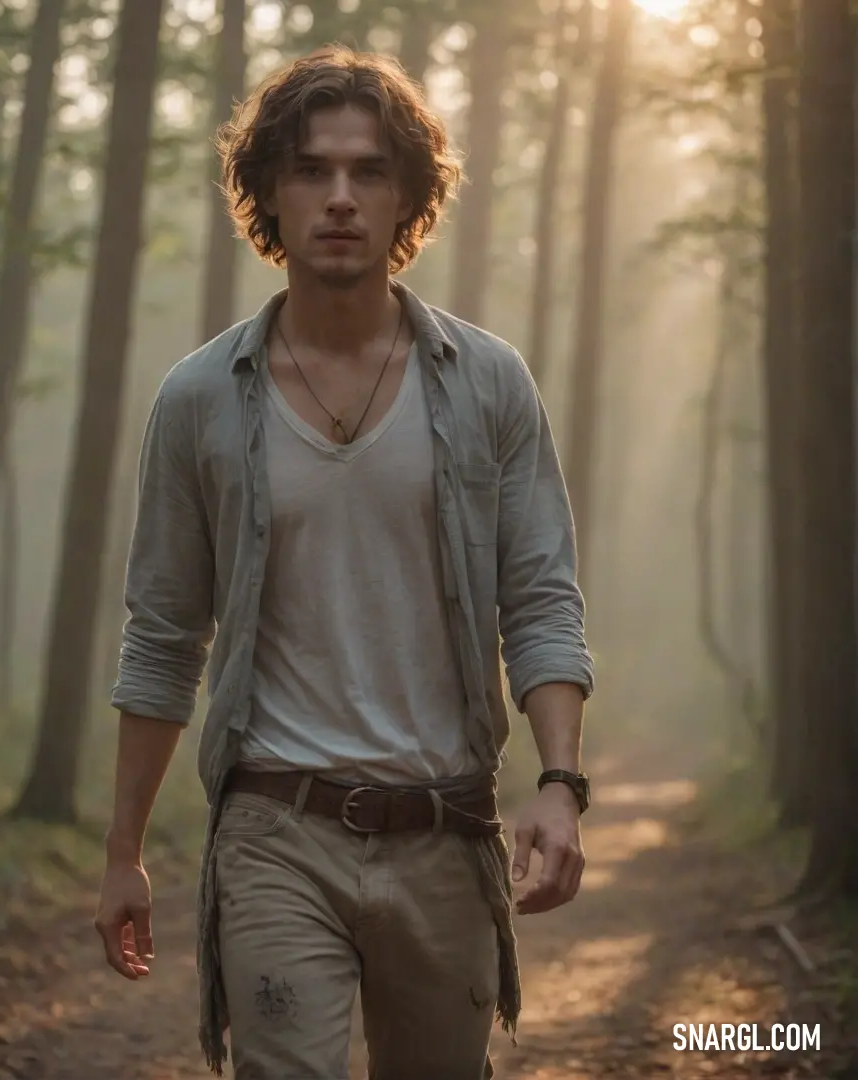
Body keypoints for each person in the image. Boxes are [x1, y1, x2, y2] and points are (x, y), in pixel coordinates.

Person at [94, 44, 595, 1080]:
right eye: (312, 170)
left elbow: (541, 596)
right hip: (277, 828)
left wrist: (557, 783)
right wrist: (122, 853)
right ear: (268, 191)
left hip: (446, 828)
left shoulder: (488, 385)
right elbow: (163, 633)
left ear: (407, 195)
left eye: (368, 172)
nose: (339, 198)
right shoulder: (199, 400)